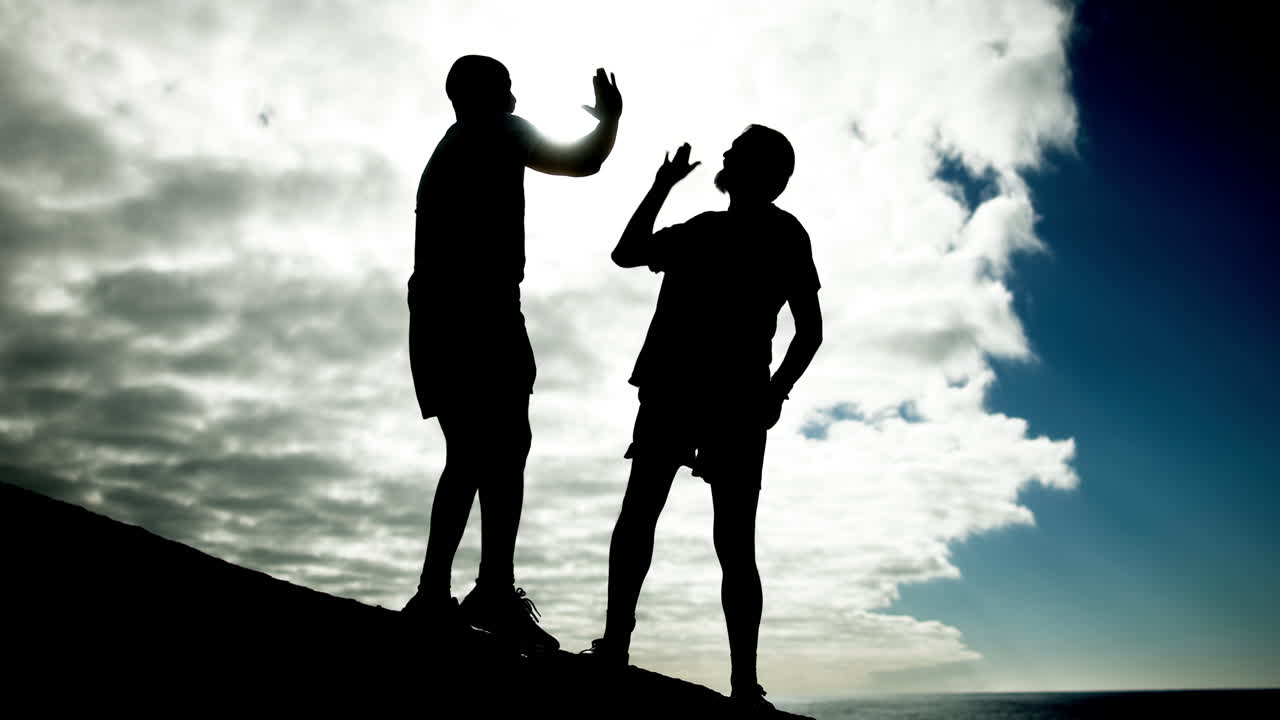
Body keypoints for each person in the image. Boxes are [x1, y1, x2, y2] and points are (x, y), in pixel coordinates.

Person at [583, 127, 823, 709]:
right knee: (655, 520)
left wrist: (775, 392)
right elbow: (625, 253)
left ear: (768, 175)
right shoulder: (701, 229)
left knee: (722, 540)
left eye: (737, 153)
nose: (725, 156)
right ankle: (623, 648)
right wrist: (662, 185)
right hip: (689, 392)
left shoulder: (779, 232)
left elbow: (810, 331)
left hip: (724, 398)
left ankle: (739, 681)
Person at [402, 55, 622, 652]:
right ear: (492, 95)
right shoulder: (498, 128)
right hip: (480, 316)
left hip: (437, 317)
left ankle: (442, 592)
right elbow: (584, 161)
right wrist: (609, 120)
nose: (514, 95)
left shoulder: (449, 147)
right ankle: (487, 592)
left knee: (471, 454)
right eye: (505, 87)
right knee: (498, 450)